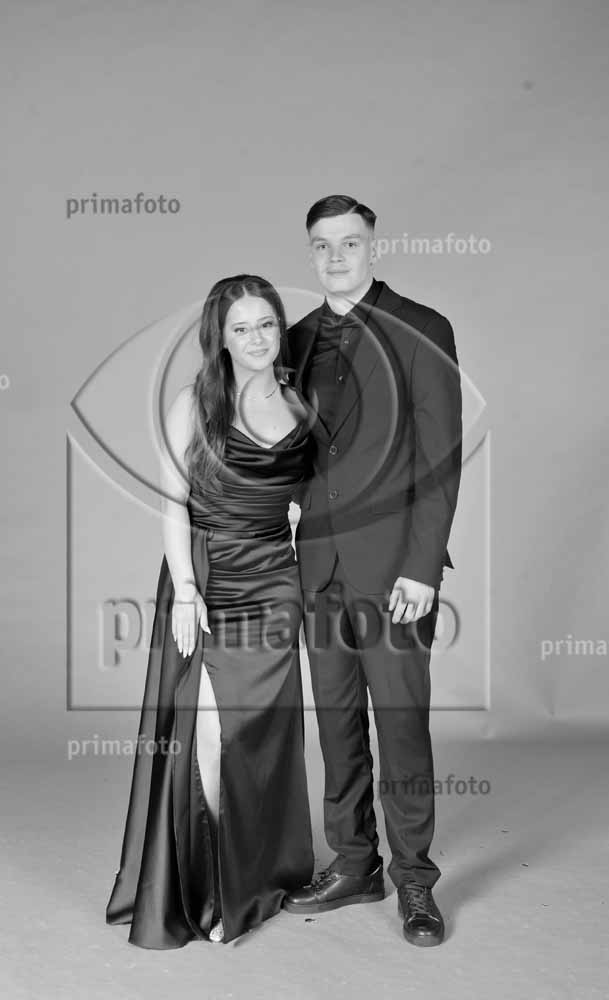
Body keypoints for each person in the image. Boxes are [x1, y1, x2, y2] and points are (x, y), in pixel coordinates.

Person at [106, 274, 314, 947]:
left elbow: (311, 494)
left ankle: (257, 877)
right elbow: (173, 500)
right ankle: (213, 891)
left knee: (262, 738)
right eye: (240, 328)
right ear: (219, 338)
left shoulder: (300, 401)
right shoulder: (193, 403)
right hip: (209, 577)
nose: (256, 339)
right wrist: (187, 590)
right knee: (211, 737)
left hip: (276, 582)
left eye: (266, 324)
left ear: (279, 328)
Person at [283, 195, 463, 947]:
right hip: (318, 565)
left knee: (401, 724)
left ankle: (414, 879)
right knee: (335, 724)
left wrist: (422, 567)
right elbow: (293, 448)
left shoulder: (424, 329)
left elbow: (440, 457)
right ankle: (354, 864)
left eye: (349, 243)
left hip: (395, 571)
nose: (335, 257)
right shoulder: (292, 339)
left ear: (372, 246)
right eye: (322, 245)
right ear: (311, 253)